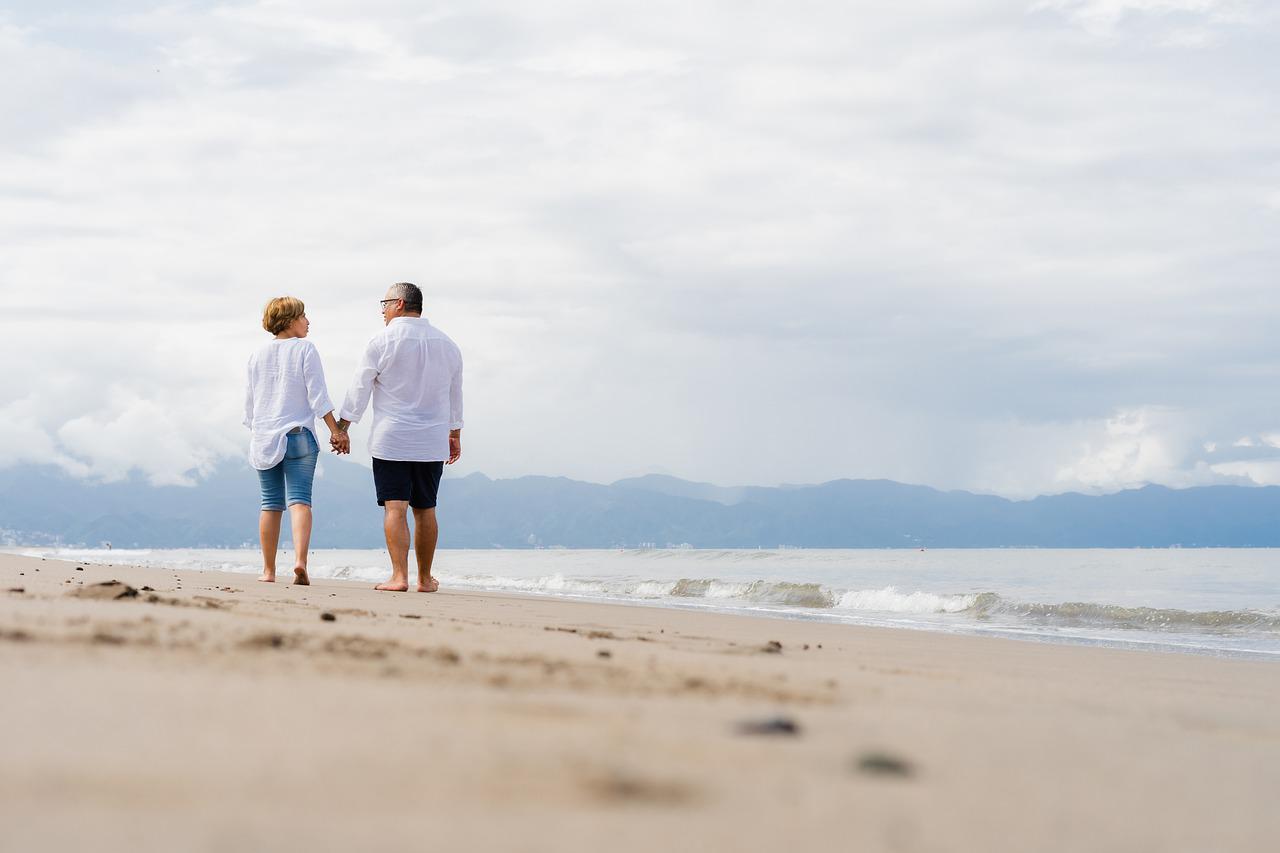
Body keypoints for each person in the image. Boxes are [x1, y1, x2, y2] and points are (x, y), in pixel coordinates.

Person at [336, 282, 463, 592]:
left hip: (391, 438)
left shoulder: (382, 341)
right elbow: (454, 393)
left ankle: (399, 577)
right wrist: (455, 433)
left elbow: (359, 388)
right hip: (431, 439)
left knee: (395, 507)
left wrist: (342, 428)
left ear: (400, 304)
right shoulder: (448, 344)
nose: (382, 311)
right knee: (426, 509)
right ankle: (424, 579)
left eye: (385, 303)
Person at [244, 297, 350, 585]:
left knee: (270, 504)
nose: (308, 321)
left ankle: (268, 571)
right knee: (300, 501)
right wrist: (336, 431)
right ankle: (300, 563)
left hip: (265, 436)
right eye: (303, 316)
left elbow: (250, 406)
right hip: (298, 436)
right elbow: (318, 396)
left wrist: (259, 431)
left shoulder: (257, 355)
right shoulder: (305, 349)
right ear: (290, 321)